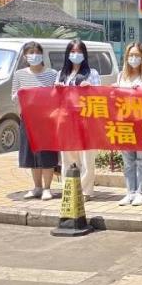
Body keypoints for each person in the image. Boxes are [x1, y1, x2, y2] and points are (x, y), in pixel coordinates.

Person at [54, 39, 100, 200]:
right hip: (66, 120)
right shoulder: (61, 74)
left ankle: (85, 191)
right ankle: (69, 189)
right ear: (67, 54)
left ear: (84, 54)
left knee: (86, 157)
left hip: (86, 120)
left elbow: (99, 96)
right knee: (68, 156)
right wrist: (57, 90)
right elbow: (54, 99)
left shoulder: (92, 73)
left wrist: (89, 88)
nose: (75, 55)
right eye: (72, 52)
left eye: (79, 52)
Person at [12, 41, 59, 200]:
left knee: (46, 154)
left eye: (37, 53)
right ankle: (37, 187)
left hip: (47, 121)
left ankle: (47, 188)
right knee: (31, 154)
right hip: (28, 120)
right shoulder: (19, 74)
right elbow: (14, 96)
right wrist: (23, 93)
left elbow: (56, 96)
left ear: (42, 55)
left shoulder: (52, 74)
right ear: (25, 56)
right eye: (30, 53)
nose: (34, 56)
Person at [115, 42, 142, 206]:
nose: (133, 58)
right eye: (131, 55)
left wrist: (141, 92)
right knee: (128, 160)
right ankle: (130, 191)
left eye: (137, 55)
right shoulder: (121, 76)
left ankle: (141, 192)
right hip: (125, 122)